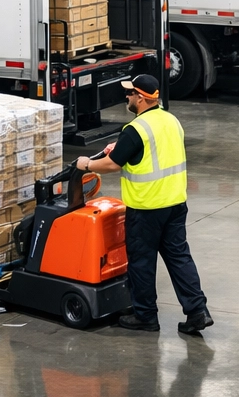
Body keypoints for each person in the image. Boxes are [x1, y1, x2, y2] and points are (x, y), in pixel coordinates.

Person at [76, 74, 213, 335]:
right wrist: (122, 146)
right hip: (174, 203)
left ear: (140, 98)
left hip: (146, 208)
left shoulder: (136, 129)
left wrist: (87, 164)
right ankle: (197, 312)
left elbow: (112, 164)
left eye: (129, 94)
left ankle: (145, 316)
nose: (126, 98)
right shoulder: (170, 120)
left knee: (141, 263)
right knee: (179, 258)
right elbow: (155, 149)